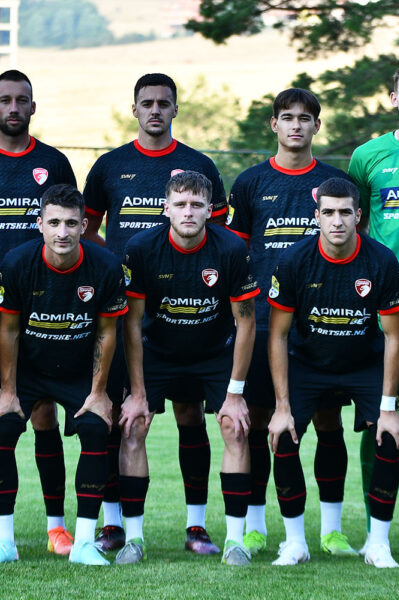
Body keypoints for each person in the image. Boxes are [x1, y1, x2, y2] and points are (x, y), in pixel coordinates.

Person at [83, 73, 227, 554]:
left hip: (187, 313)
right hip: (124, 312)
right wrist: (115, 267)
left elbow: (219, 236)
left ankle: (196, 526)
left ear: (175, 109)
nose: (155, 111)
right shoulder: (110, 166)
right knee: (120, 418)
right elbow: (88, 230)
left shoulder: (199, 165)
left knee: (190, 415)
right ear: (135, 109)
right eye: (147, 103)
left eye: (164, 103)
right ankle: (114, 525)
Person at [226, 88, 354, 557]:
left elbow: (350, 247)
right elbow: (236, 252)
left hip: (322, 322)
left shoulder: (334, 182)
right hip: (264, 321)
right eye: (287, 117)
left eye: (304, 118)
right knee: (262, 422)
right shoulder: (250, 182)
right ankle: (256, 525)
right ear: (274, 125)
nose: (296, 125)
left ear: (317, 125)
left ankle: (332, 530)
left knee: (328, 421)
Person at [117, 170, 259, 566]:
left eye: (197, 204)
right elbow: (131, 322)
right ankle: (133, 539)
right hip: (157, 351)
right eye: (180, 204)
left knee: (234, 426)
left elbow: (246, 322)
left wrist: (235, 394)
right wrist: (138, 393)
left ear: (210, 210)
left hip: (214, 352)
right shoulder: (141, 248)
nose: (188, 212)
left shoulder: (230, 248)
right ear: (166, 208)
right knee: (134, 424)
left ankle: (235, 541)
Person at [268, 177, 399, 568]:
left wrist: (389, 408)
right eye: (328, 212)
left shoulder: (381, 261)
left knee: (391, 436)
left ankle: (378, 544)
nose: (337, 220)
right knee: (283, 434)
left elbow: (394, 336)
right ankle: (295, 543)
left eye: (345, 212)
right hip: (308, 363)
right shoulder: (294, 261)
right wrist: (281, 406)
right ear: (317, 216)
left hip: (364, 363)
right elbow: (277, 335)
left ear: (358, 216)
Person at [0, 184, 128, 565]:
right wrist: (7, 391)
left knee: (96, 428)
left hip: (77, 369)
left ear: (84, 226)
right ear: (40, 224)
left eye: (71, 223)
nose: (62, 232)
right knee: (3, 427)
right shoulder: (16, 263)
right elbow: (8, 330)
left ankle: (84, 543)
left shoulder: (105, 266)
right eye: (54, 222)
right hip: (29, 368)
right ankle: (4, 542)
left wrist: (99, 392)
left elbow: (107, 332)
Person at [0, 69, 77, 555]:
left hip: (42, 309)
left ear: (33, 106)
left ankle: (55, 527)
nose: (13, 107)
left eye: (20, 100)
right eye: (4, 99)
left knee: (43, 414)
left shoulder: (53, 162)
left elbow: (71, 229)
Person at [348, 66, 399, 554]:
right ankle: (375, 532)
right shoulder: (369, 155)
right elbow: (356, 228)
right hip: (386, 304)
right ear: (393, 98)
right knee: (380, 413)